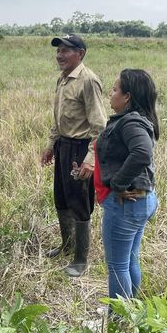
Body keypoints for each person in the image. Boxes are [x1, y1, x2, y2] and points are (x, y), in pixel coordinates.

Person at [41, 34, 107, 277]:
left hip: (80, 149)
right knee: (61, 198)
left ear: (80, 53)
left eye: (66, 50)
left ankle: (80, 259)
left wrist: (91, 160)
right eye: (58, 50)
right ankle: (67, 246)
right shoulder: (63, 79)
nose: (59, 55)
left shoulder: (88, 81)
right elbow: (58, 117)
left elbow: (100, 126)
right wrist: (51, 145)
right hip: (64, 147)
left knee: (79, 202)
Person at [95, 69, 159, 301]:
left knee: (118, 266)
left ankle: (119, 318)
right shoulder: (136, 119)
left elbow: (142, 153)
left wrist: (118, 184)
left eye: (115, 90)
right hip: (141, 199)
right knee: (130, 259)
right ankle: (131, 311)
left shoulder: (131, 122)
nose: (110, 94)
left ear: (127, 96)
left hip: (126, 203)